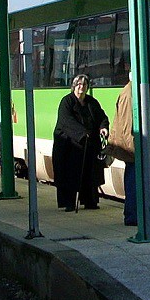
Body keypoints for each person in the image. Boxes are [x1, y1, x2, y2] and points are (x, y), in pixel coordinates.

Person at [51, 74, 109, 211]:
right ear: (74, 86)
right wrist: (83, 133)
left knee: (91, 173)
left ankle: (90, 201)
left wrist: (103, 127)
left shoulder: (91, 102)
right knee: (70, 174)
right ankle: (69, 203)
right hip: (71, 144)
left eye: (84, 85)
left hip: (89, 144)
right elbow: (66, 121)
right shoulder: (67, 101)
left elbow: (102, 117)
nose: (81, 87)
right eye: (78, 84)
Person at [108, 81, 138, 225]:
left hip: (133, 149)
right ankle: (132, 217)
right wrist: (135, 152)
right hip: (133, 150)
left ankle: (134, 215)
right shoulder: (129, 94)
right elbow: (127, 128)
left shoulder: (131, 91)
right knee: (134, 181)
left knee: (134, 180)